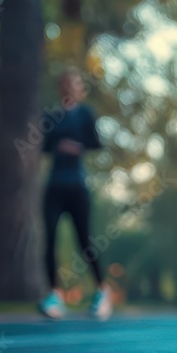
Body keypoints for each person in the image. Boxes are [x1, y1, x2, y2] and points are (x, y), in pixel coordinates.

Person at [38, 69, 112, 321]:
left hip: (77, 186)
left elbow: (96, 143)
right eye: (66, 84)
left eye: (74, 84)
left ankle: (102, 291)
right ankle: (53, 294)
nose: (70, 88)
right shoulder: (51, 115)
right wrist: (58, 145)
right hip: (54, 186)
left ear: (80, 89)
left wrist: (76, 146)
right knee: (49, 238)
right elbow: (43, 146)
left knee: (85, 241)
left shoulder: (85, 114)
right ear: (61, 88)